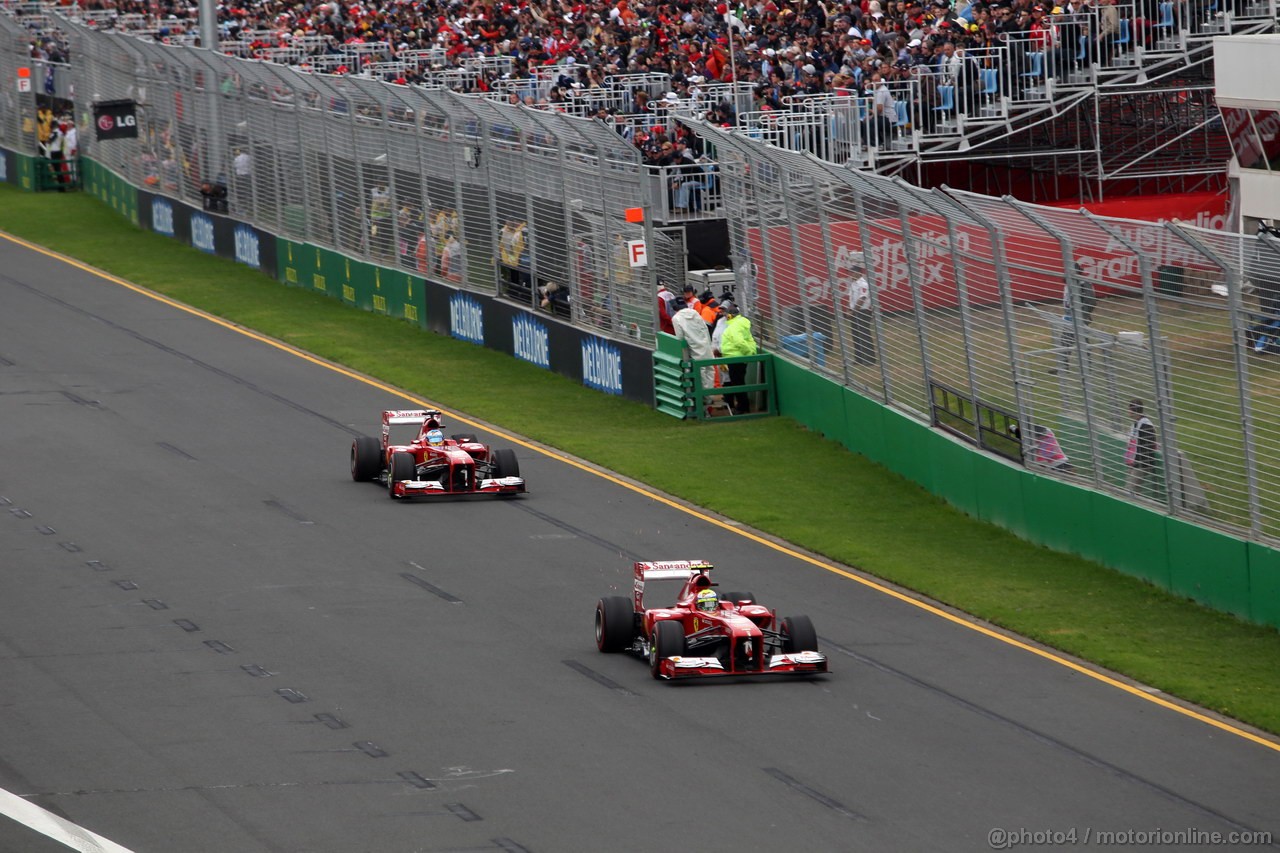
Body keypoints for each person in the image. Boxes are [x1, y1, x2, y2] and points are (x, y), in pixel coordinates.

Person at [1052, 262, 1098, 374]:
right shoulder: (1069, 283)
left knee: (1079, 342)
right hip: (1070, 317)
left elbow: (1090, 301)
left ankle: (1082, 367)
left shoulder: (1083, 283)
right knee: (1067, 342)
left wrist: (1082, 314)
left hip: (1079, 317)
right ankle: (1067, 366)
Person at [671, 290, 717, 392]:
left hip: (695, 350)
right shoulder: (695, 313)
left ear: (675, 308)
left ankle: (704, 400)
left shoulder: (676, 318)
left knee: (701, 375)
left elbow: (680, 338)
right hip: (706, 346)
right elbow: (704, 329)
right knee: (710, 371)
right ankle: (710, 397)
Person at [719, 301, 759, 414]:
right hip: (737, 357)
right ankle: (742, 406)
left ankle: (742, 407)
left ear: (730, 315)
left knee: (738, 383)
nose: (725, 317)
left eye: (726, 315)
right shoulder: (739, 323)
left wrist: (748, 354)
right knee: (738, 382)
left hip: (735, 358)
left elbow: (740, 342)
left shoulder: (734, 326)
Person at [847, 252, 877, 365]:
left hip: (862, 311)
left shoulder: (863, 284)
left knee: (864, 334)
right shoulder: (854, 283)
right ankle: (859, 358)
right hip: (855, 311)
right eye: (850, 272)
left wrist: (853, 311)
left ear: (858, 273)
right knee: (856, 335)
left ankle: (870, 360)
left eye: (852, 272)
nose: (850, 274)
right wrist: (848, 309)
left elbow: (861, 299)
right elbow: (851, 298)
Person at [1125, 398, 1158, 497]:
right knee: (1133, 490)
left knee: (1129, 490)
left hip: (1141, 463)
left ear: (1134, 410)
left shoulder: (1146, 426)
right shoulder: (1136, 424)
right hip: (1136, 462)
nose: (1128, 411)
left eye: (1130, 409)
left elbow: (1148, 446)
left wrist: (1137, 463)